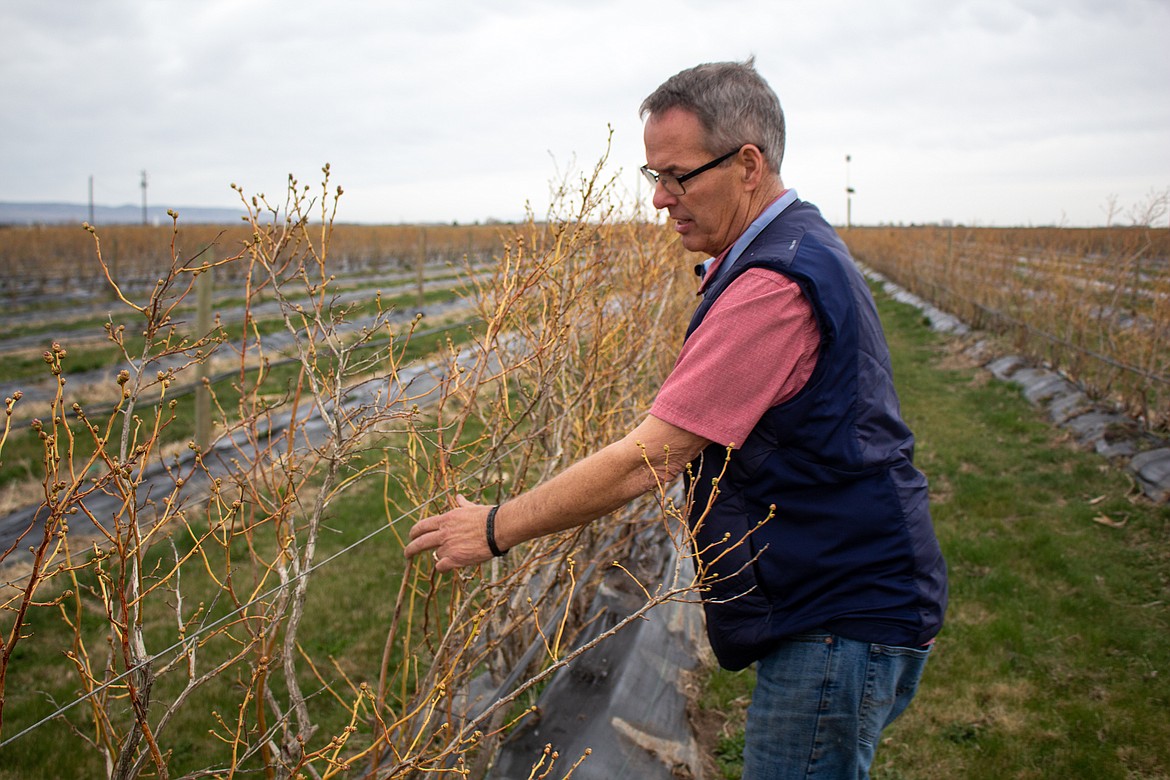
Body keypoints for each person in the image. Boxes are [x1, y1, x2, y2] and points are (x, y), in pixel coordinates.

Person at [405, 59, 947, 779]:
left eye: (678, 175)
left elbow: (650, 456)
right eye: (652, 175)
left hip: (839, 613)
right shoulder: (789, 250)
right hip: (841, 596)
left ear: (748, 164)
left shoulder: (773, 286)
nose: (661, 199)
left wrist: (498, 526)